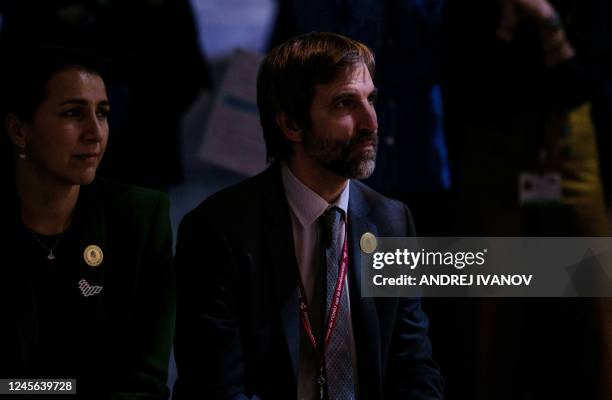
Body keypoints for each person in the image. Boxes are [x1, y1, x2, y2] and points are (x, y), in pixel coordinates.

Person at [173, 32, 443, 399]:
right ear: (291, 125)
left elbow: (414, 367)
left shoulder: (393, 221)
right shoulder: (218, 231)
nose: (371, 122)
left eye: (371, 99)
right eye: (345, 103)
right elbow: (217, 388)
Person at [0, 45, 175, 399]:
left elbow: (146, 381)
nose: (95, 133)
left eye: (103, 113)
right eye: (73, 114)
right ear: (19, 131)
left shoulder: (140, 219)